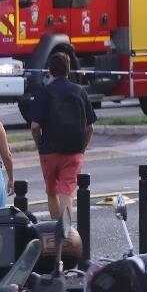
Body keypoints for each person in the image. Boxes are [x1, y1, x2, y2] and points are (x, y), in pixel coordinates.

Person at [26, 50, 94, 230]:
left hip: (49, 150)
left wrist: (39, 144)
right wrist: (82, 147)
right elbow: (90, 127)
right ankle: (66, 232)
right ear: (68, 69)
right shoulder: (80, 92)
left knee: (52, 192)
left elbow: (34, 126)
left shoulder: (45, 92)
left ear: (50, 70)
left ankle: (55, 229)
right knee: (67, 191)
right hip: (73, 151)